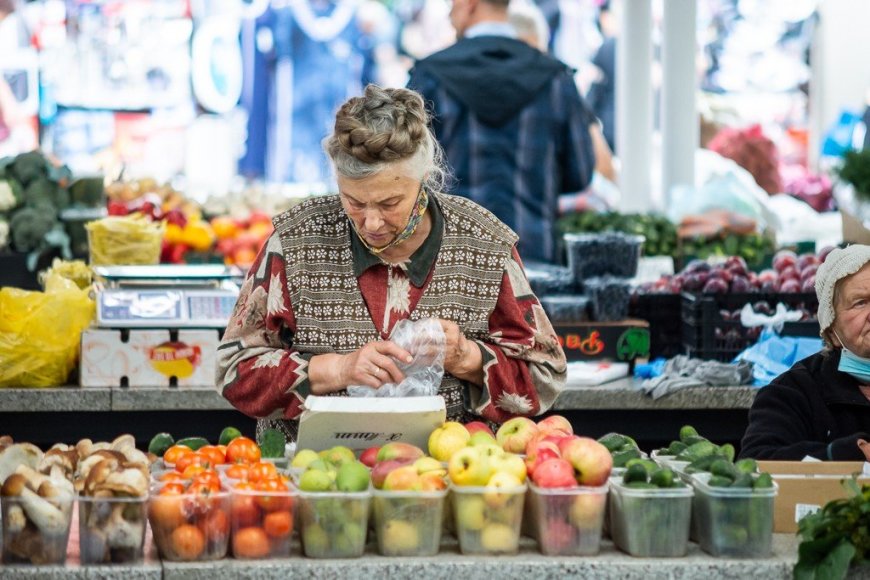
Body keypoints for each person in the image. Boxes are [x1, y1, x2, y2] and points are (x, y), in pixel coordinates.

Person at [216, 84, 568, 442]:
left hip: (441, 479)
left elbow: (545, 377)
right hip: (312, 478)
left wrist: (465, 356)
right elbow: (233, 371)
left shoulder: (484, 245)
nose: (370, 222)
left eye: (389, 203)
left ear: (424, 179)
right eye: (353, 201)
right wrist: (337, 369)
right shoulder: (294, 243)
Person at [407, 0, 595, 264]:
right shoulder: (555, 78)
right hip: (532, 258)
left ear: (469, 4)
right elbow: (580, 174)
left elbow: (406, 174)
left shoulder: (430, 77)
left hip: (450, 263)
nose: (449, 13)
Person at [740, 245, 870, 460]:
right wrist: (855, 453)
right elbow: (757, 461)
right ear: (831, 330)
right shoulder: (793, 393)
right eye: (860, 303)